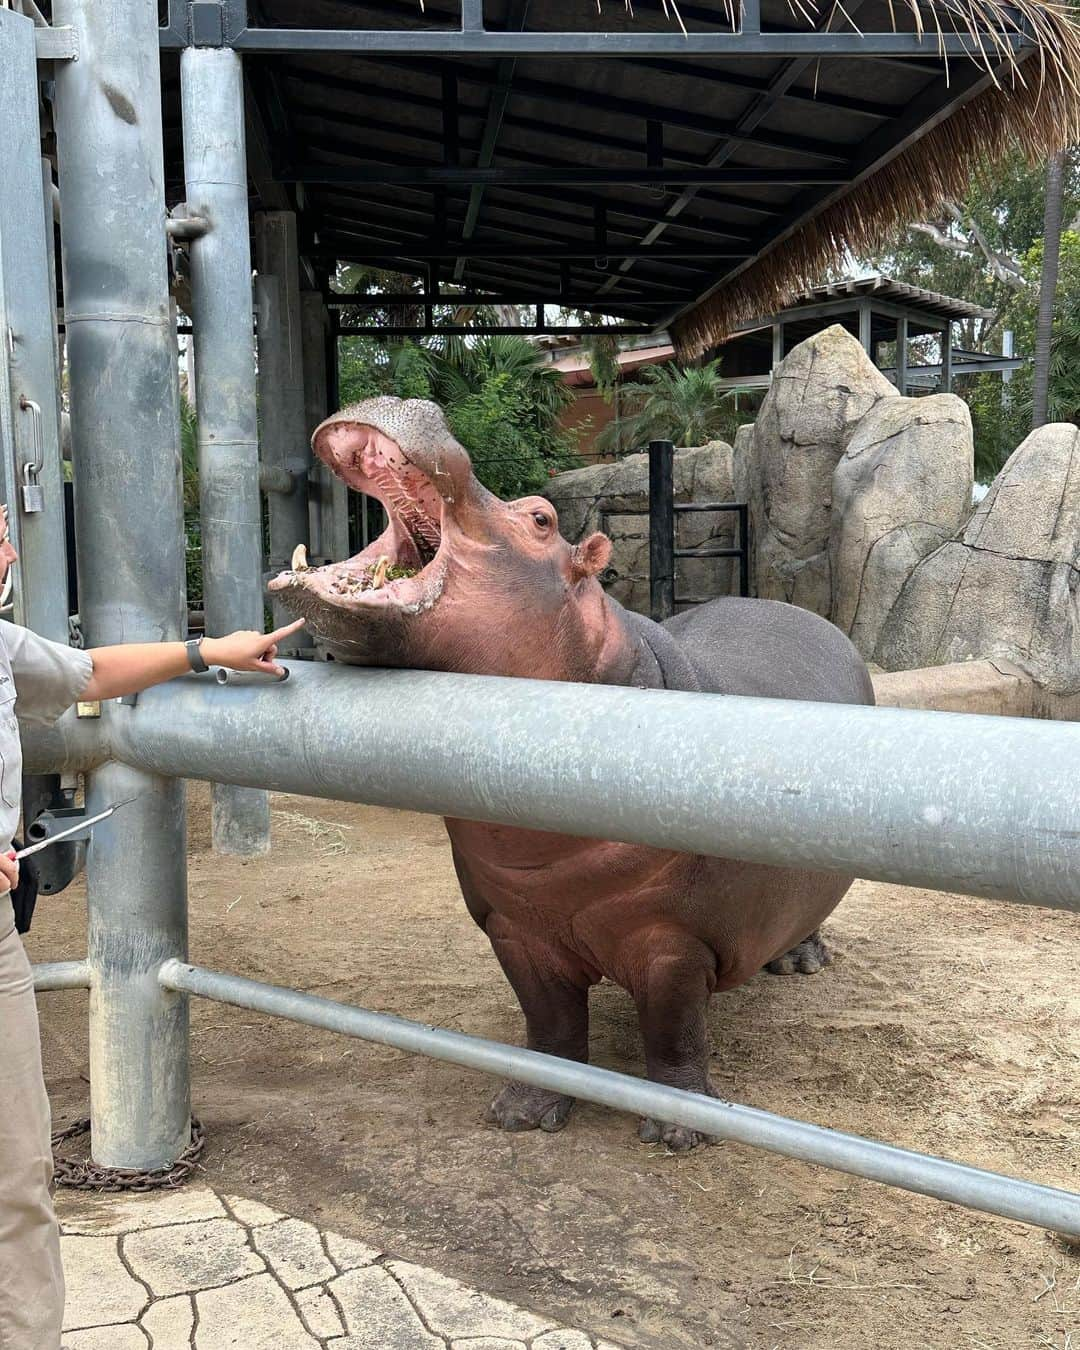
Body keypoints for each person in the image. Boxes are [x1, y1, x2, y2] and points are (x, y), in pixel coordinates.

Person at [0, 503, 304, 1349]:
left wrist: (210, 652)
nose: (4, 546)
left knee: (17, 1178)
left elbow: (90, 673)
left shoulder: (3, 645)